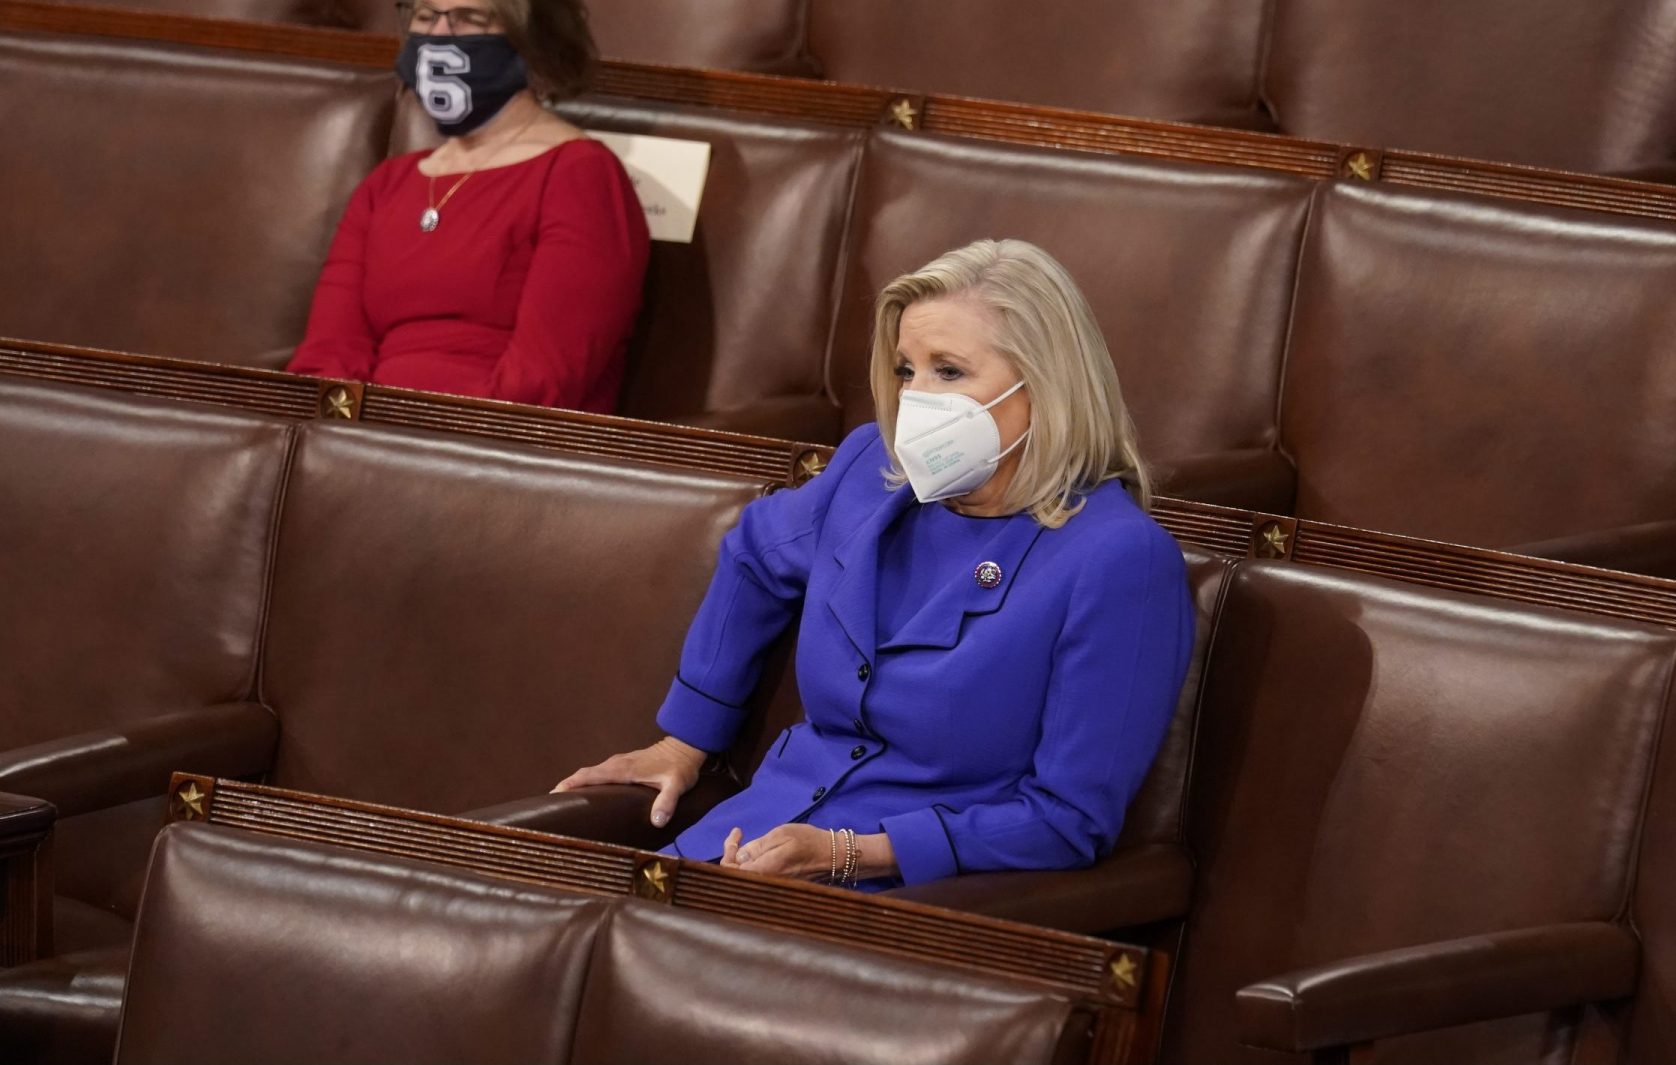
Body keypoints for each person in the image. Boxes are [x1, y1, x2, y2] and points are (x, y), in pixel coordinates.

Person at [555, 239, 1193, 890]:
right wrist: (685, 740)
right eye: (905, 369)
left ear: (1047, 385)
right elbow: (754, 552)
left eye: (948, 371)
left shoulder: (1121, 559)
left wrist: (852, 851)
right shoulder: (870, 469)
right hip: (743, 841)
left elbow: (1067, 820)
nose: (915, 398)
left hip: (916, 900)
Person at [287, 0, 648, 413]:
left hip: (489, 450)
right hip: (365, 443)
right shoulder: (386, 185)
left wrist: (415, 443)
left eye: (468, 19)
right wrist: (342, 438)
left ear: (530, 41)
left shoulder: (580, 174)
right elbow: (328, 354)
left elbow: (545, 380)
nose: (438, 35)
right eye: (425, 16)